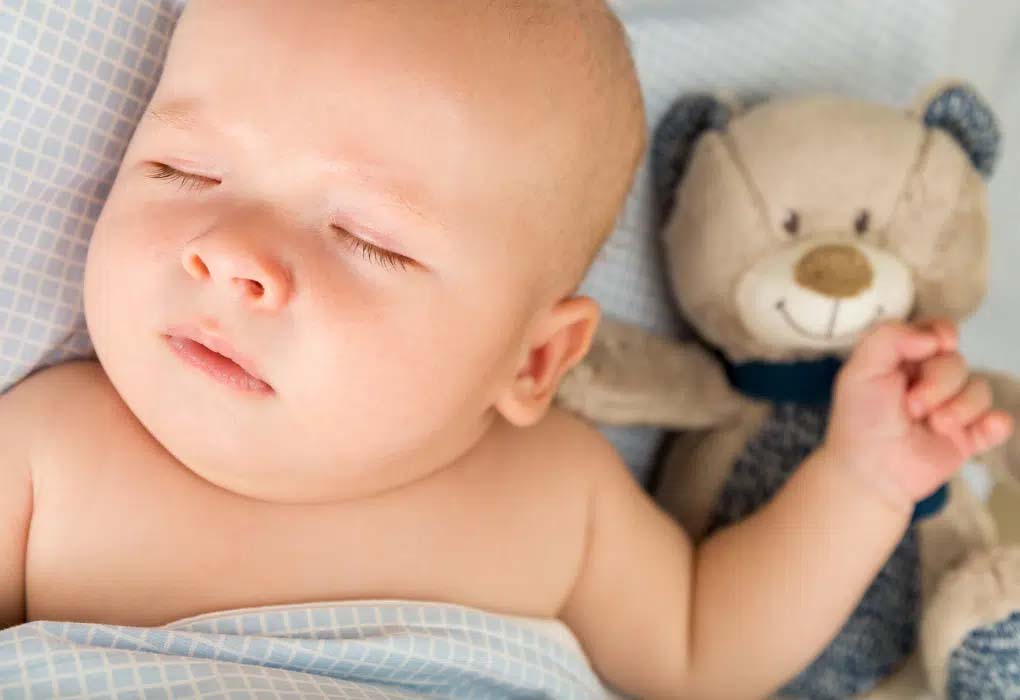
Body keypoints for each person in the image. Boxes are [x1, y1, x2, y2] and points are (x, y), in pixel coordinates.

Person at [0, 1, 1012, 698]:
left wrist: (865, 479)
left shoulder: (551, 494)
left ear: (533, 363)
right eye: (181, 169)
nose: (231, 258)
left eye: (367, 237)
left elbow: (712, 652)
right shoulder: (44, 452)